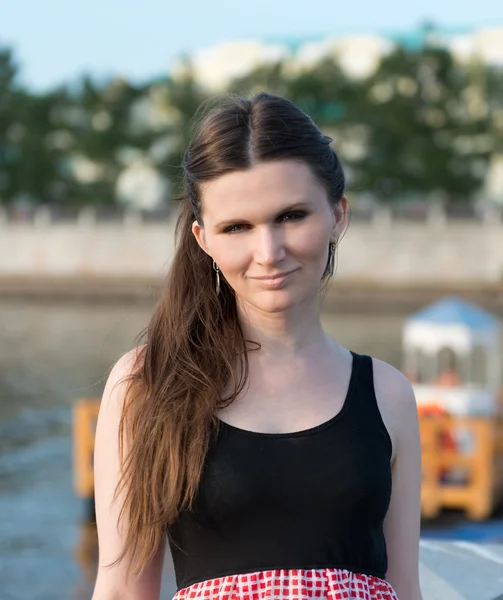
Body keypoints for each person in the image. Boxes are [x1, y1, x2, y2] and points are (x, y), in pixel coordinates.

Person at [92, 92, 423, 600]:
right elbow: (120, 591)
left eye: (291, 216)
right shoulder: (149, 383)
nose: (268, 252)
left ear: (338, 214)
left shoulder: (388, 394)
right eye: (237, 227)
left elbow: (405, 589)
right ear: (204, 240)